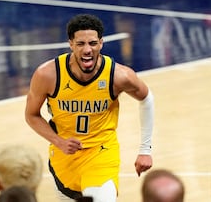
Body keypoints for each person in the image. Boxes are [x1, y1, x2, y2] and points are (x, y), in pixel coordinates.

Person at [25, 14, 154, 202]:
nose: (87, 50)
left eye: (93, 43)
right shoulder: (48, 74)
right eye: (81, 44)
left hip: (101, 152)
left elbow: (147, 99)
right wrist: (58, 141)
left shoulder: (118, 75)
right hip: (64, 156)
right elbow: (31, 115)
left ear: (101, 43)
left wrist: (145, 149)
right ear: (71, 44)